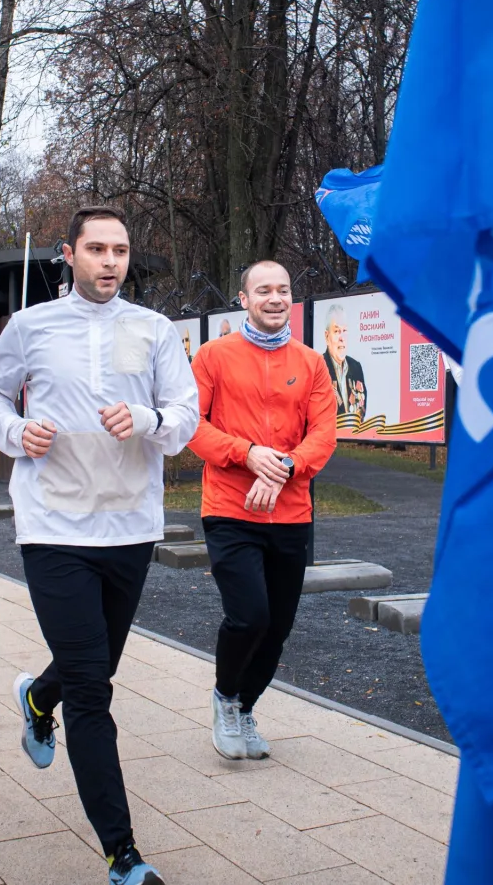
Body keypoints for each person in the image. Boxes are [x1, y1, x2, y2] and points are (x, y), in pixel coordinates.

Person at [0, 205, 198, 885]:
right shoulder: (31, 326)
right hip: (53, 526)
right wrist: (16, 433)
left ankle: (40, 700)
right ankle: (122, 855)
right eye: (96, 248)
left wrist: (148, 418)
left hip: (130, 525)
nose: (109, 261)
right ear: (68, 255)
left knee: (87, 670)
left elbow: (184, 418)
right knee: (94, 691)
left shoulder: (153, 331)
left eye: (120, 250)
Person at [188, 261, 337, 759]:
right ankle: (225, 698)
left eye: (283, 290)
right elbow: (194, 427)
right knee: (249, 616)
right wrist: (248, 453)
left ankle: (245, 707)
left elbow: (323, 435)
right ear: (244, 298)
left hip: (291, 513)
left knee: (277, 628)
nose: (275, 298)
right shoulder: (213, 356)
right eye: (264, 290)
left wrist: (286, 468)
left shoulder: (312, 363)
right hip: (231, 509)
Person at [321, 305, 366, 418]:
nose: (342, 337)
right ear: (327, 337)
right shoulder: (318, 366)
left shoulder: (356, 367)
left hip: (353, 435)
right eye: (336, 331)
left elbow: (362, 409)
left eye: (344, 330)